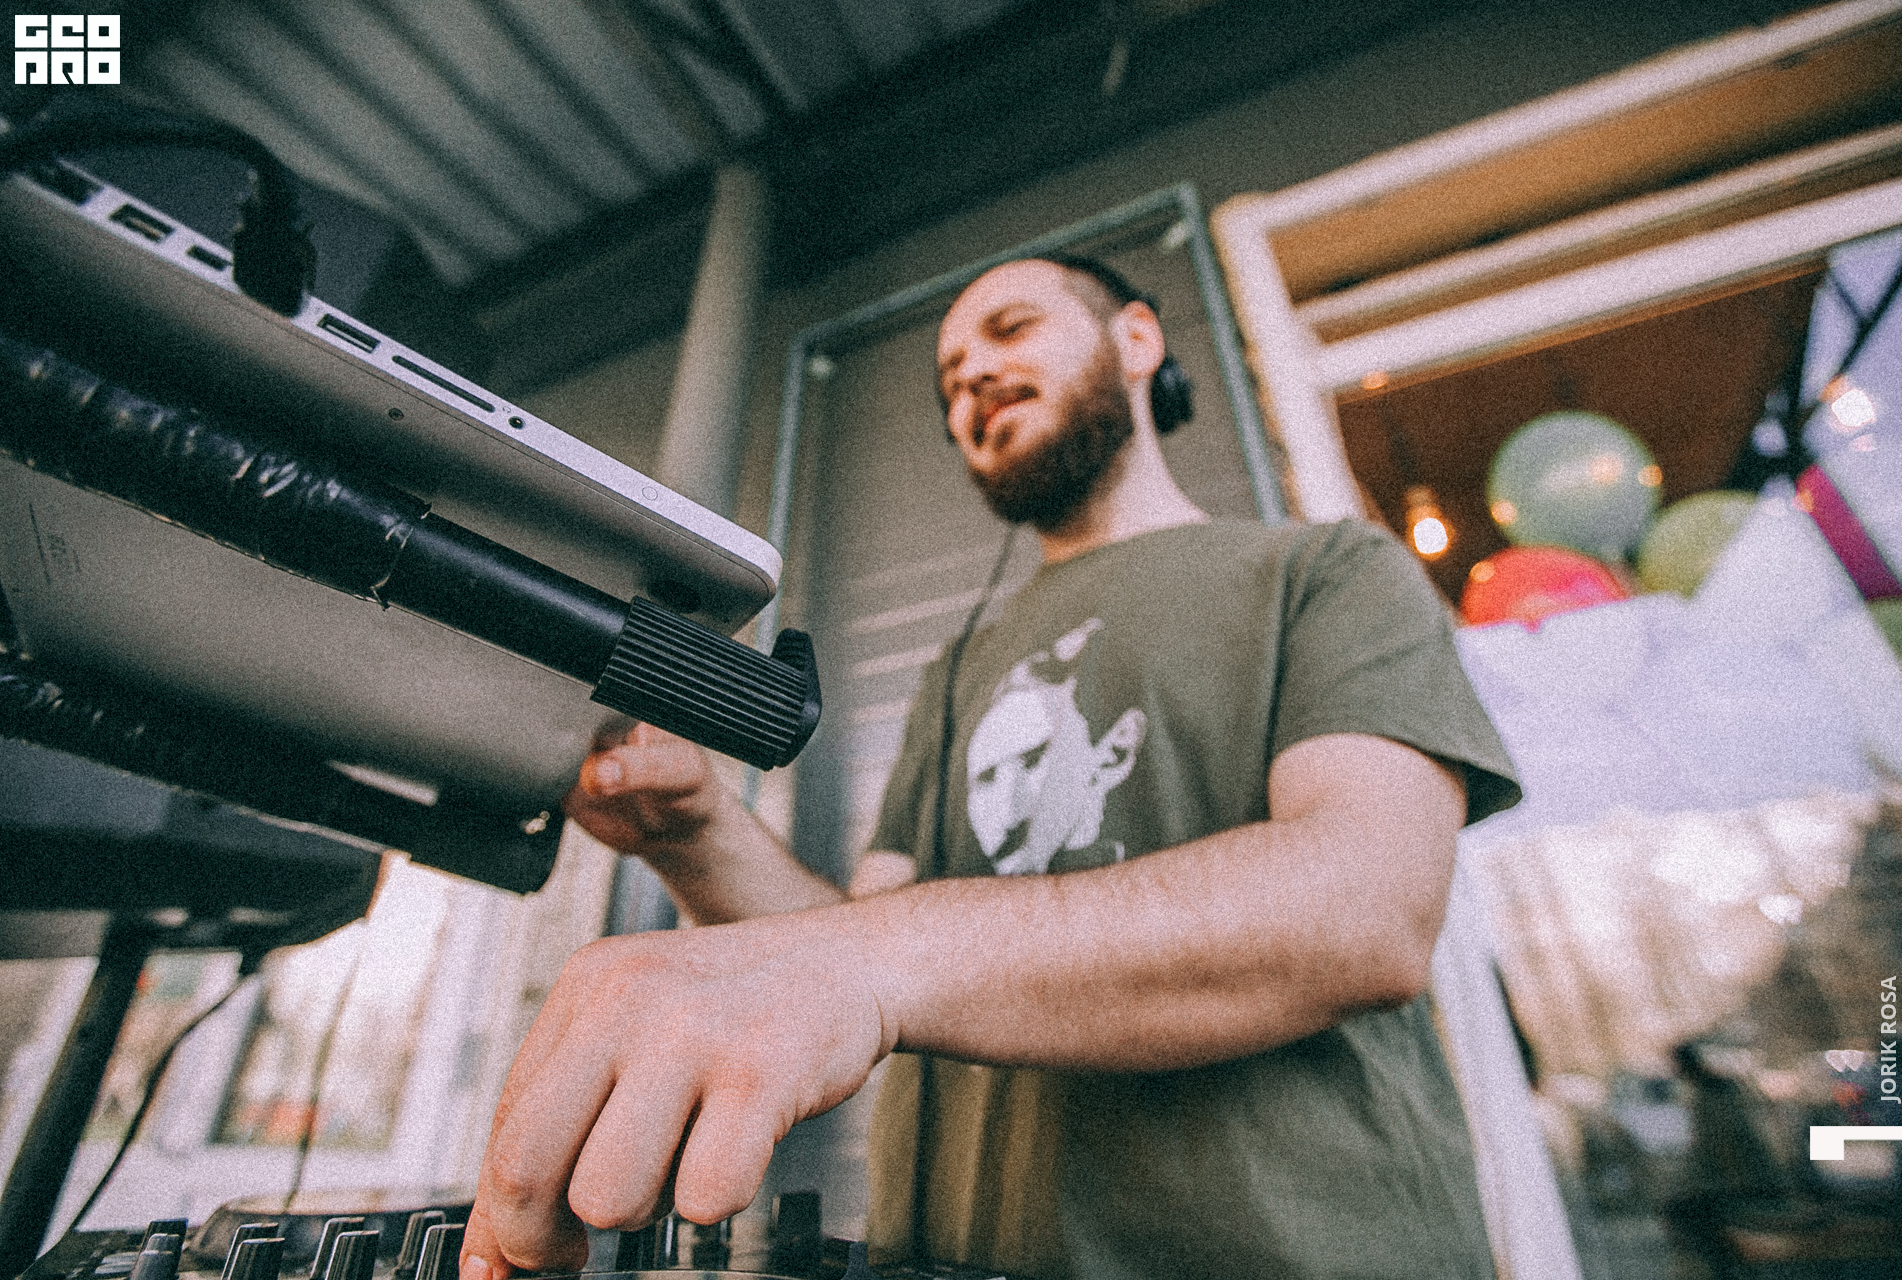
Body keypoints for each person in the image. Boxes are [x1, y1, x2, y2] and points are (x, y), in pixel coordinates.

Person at [460, 256, 1522, 1280]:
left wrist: (872, 956)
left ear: (1137, 340)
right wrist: (695, 834)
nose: (970, 377)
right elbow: (854, 942)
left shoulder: (1329, 570)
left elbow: (1365, 905)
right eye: (949, 379)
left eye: (1010, 330)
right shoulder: (958, 666)